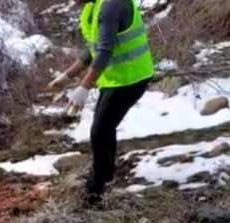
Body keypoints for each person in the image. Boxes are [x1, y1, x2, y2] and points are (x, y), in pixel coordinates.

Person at [47, 0, 154, 207]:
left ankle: (94, 192)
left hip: (132, 78)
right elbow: (94, 48)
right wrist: (67, 75)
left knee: (99, 132)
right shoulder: (93, 6)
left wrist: (85, 87)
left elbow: (106, 50)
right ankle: (105, 175)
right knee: (105, 129)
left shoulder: (111, 5)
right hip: (117, 79)